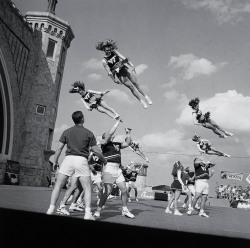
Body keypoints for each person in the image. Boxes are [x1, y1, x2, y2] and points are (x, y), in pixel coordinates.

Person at [46, 111, 107, 220]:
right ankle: (87, 214)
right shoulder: (89, 133)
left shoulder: (67, 131)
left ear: (73, 120)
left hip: (68, 159)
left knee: (58, 186)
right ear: (82, 119)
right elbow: (97, 151)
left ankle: (51, 209)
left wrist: (55, 161)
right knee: (87, 188)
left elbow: (59, 148)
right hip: (81, 160)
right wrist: (104, 161)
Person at [93, 120, 135, 218]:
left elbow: (127, 143)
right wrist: (117, 123)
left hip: (118, 169)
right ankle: (98, 211)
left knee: (124, 190)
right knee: (107, 192)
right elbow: (110, 133)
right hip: (109, 168)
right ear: (104, 137)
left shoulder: (116, 144)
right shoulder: (103, 144)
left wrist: (128, 134)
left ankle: (125, 210)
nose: (110, 135)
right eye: (107, 134)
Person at [95, 39, 152, 109]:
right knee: (131, 88)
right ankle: (141, 101)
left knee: (135, 83)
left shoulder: (114, 52)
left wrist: (132, 65)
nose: (109, 51)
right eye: (107, 50)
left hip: (124, 68)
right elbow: (109, 72)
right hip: (119, 74)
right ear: (104, 50)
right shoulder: (104, 61)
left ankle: (146, 97)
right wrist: (114, 80)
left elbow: (123, 58)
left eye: (109, 49)